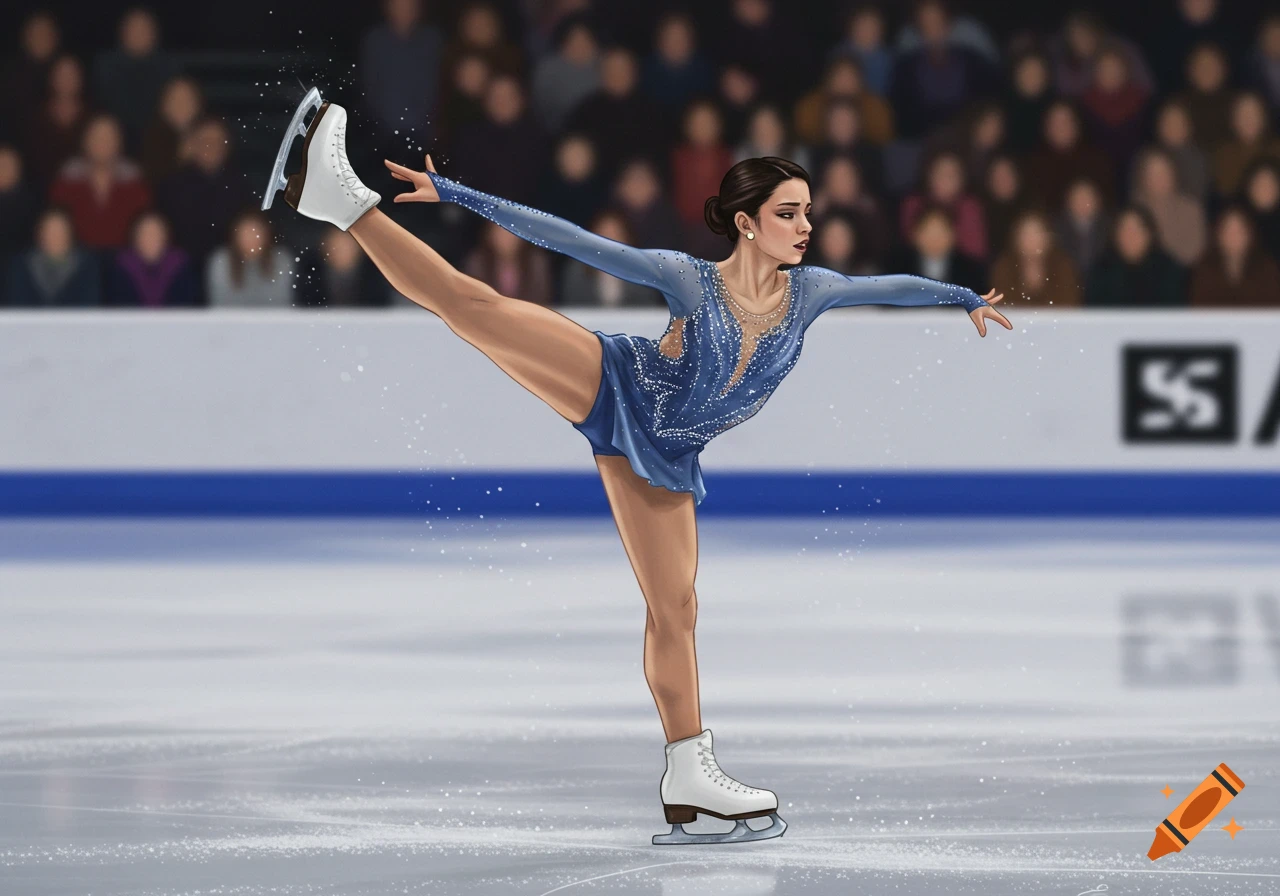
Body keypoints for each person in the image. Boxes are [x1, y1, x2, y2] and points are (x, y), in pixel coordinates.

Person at [265, 97, 1008, 845]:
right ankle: (347, 202)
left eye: (808, 211)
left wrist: (965, 297)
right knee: (477, 307)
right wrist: (459, 195)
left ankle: (688, 771)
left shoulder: (811, 294)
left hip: (666, 455)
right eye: (789, 213)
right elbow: (575, 242)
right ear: (747, 223)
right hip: (616, 383)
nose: (807, 226)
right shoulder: (691, 281)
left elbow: (894, 286)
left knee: (677, 609)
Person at [50, 115, 152, 250]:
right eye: (96, 137)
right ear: (85, 142)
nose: (103, 143)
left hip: (124, 260)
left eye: (109, 137)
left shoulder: (134, 180)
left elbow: (144, 228)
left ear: (119, 143)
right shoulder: (68, 179)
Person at [92, 8, 177, 152]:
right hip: (112, 142)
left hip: (158, 143)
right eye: (134, 28)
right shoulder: (105, 66)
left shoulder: (169, 67)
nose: (139, 34)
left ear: (155, 34)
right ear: (122, 32)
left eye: (144, 29)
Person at [1085, 206, 1186, 307]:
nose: (1130, 236)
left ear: (1149, 235)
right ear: (1115, 236)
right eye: (1124, 230)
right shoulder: (1101, 270)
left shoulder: (1168, 270)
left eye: (1137, 230)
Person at [559, 211, 663, 307]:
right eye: (603, 235)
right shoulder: (577, 270)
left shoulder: (643, 273)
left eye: (615, 236)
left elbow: (649, 309)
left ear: (626, 239)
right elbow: (571, 308)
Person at [5, 207, 101, 308]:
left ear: (70, 233)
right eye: (49, 230)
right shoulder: (22, 266)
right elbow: (16, 307)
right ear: (40, 234)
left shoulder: (87, 267)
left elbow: (89, 308)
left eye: (60, 230)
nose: (55, 236)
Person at [900, 152, 987, 260]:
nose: (945, 180)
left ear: (962, 180)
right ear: (929, 176)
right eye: (940, 173)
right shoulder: (913, 204)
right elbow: (907, 249)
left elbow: (975, 252)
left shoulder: (970, 207)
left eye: (951, 175)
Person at [1189, 206, 1280, 307]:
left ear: (1250, 235)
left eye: (1239, 231)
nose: (1233, 237)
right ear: (1218, 235)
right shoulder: (1203, 269)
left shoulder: (1268, 269)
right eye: (1228, 231)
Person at [105, 210, 198, 307]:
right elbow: (119, 309)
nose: (151, 239)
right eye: (145, 234)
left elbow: (185, 308)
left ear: (166, 237)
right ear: (134, 238)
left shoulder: (180, 265)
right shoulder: (121, 267)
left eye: (156, 233)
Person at [990, 209, 1082, 307]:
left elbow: (1069, 305)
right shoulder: (1004, 267)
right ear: (1016, 239)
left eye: (1037, 234)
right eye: (1025, 235)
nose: (1031, 240)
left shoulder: (1063, 266)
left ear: (1048, 239)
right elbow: (1003, 305)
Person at [1132, 148, 1206, 267]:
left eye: (1163, 171)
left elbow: (1194, 253)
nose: (1158, 178)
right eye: (1152, 173)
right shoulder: (1133, 208)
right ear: (1142, 177)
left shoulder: (1191, 208)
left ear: (1174, 173)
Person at [888, 205, 988, 294]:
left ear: (953, 235)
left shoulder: (972, 271)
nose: (935, 239)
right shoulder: (895, 268)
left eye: (941, 232)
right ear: (915, 235)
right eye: (929, 232)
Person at [205, 210, 294, 307]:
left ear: (267, 234)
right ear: (235, 235)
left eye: (256, 232)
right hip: (231, 321)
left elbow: (281, 302)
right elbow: (221, 303)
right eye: (246, 233)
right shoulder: (221, 261)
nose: (251, 238)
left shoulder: (281, 260)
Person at [530, 15, 599, 132]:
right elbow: (540, 109)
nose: (579, 45)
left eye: (585, 39)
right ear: (564, 43)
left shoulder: (605, 63)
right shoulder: (547, 70)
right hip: (556, 131)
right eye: (574, 39)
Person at [464, 220, 553, 306]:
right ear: (490, 235)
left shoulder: (535, 262)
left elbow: (542, 298)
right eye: (500, 233)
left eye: (511, 233)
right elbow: (474, 299)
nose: (506, 239)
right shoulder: (478, 263)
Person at [1213, 92, 1280, 197]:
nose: (1248, 120)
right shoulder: (1224, 155)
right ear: (1234, 120)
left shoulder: (1276, 149)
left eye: (1254, 114)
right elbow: (1225, 193)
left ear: (1263, 118)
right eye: (1243, 115)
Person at [141, 76, 205, 184]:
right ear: (163, 105)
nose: (180, 105)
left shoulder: (210, 138)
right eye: (174, 99)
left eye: (187, 99)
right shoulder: (149, 144)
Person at [1056, 177, 1111, 278]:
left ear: (1098, 201)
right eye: (1078, 197)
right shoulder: (1056, 230)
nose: (1083, 203)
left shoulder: (1110, 229)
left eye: (1088, 197)